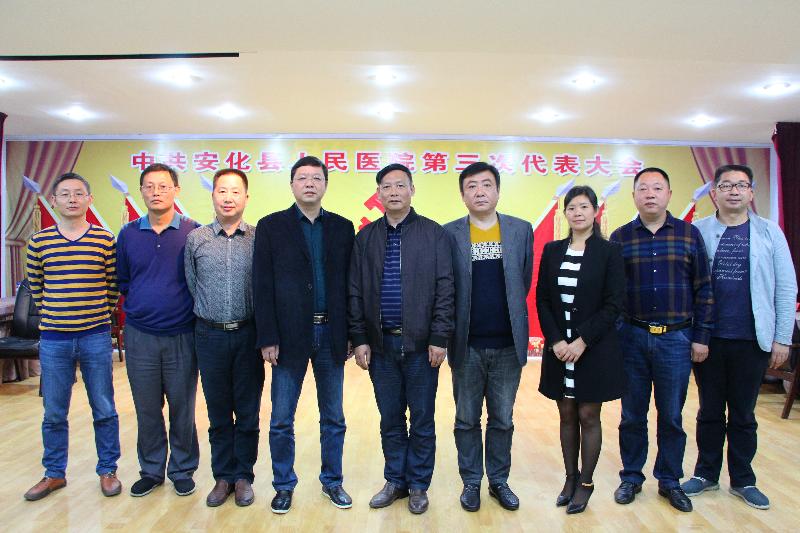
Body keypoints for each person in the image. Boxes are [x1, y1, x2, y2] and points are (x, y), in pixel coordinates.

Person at [682, 164, 797, 509]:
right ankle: (706, 474)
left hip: (752, 339)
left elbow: (785, 287)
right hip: (708, 338)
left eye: (741, 185)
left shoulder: (769, 232)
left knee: (744, 413)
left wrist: (782, 338)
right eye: (726, 185)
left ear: (751, 193)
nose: (734, 191)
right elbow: (687, 284)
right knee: (709, 409)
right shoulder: (698, 231)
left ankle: (744, 479)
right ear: (714, 193)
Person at [348, 163, 455, 515]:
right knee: (390, 419)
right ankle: (396, 480)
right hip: (381, 347)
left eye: (400, 185)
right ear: (378, 193)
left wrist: (439, 336)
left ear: (412, 190)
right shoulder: (366, 238)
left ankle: (419, 484)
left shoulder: (434, 234)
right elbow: (355, 291)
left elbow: (445, 288)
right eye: (387, 186)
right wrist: (360, 338)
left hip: (423, 347)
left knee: (422, 419)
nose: (393, 192)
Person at [253, 156, 355, 514]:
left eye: (316, 178)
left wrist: (350, 333)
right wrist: (267, 336)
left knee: (334, 417)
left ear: (325, 184)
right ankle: (283, 485)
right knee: (282, 418)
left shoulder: (343, 228)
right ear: (292, 185)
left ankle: (333, 481)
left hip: (331, 333)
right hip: (287, 336)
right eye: (302, 178)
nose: (309, 183)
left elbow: (350, 285)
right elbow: (261, 285)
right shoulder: (271, 226)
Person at [610, 167, 714, 513]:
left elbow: (704, 288)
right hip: (633, 338)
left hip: (676, 339)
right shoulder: (621, 237)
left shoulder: (688, 234)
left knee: (671, 415)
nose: (650, 194)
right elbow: (613, 294)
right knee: (631, 415)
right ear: (634, 196)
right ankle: (631, 477)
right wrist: (618, 335)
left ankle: (670, 480)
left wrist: (700, 337)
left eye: (657, 188)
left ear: (669, 194)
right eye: (643, 189)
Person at [23, 172, 122, 501]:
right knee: (54, 411)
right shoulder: (39, 242)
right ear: (54, 200)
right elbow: (36, 288)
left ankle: (107, 470)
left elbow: (112, 287)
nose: (72, 199)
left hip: (95, 335)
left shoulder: (104, 240)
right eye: (64, 194)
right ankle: (54, 473)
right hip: (54, 339)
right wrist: (56, 315)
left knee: (104, 407)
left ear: (89, 199)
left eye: (79, 193)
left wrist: (97, 315)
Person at [443, 162, 533, 512]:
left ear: (497, 190)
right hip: (466, 344)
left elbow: (523, 280)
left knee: (502, 419)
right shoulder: (449, 234)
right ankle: (471, 482)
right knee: (466, 419)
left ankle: (498, 481)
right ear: (462, 194)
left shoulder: (520, 230)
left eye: (486, 185)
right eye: (471, 186)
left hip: (508, 345)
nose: (479, 192)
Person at [536, 185, 625, 514]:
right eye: (572, 207)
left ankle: (586, 483)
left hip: (594, 349)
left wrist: (582, 340)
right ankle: (570, 478)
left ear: (595, 211)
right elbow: (543, 299)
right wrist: (557, 340)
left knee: (589, 414)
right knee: (566, 414)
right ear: (565, 213)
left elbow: (614, 304)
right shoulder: (552, 250)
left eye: (584, 206)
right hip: (560, 350)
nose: (577, 212)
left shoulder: (609, 252)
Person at [117, 163, 201, 497]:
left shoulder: (192, 232)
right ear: (141, 192)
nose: (156, 192)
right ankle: (151, 470)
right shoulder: (127, 234)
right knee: (147, 408)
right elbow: (124, 281)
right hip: (140, 335)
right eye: (149, 186)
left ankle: (182, 468)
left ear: (176, 191)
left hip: (182, 334)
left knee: (183, 407)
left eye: (164, 186)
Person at [185, 168, 263, 507]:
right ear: (213, 195)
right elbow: (192, 284)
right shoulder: (196, 239)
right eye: (222, 191)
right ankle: (223, 477)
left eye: (235, 192)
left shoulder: (258, 238)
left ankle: (243, 476)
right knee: (218, 412)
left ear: (246, 197)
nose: (228, 198)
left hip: (248, 335)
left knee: (247, 411)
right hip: (209, 335)